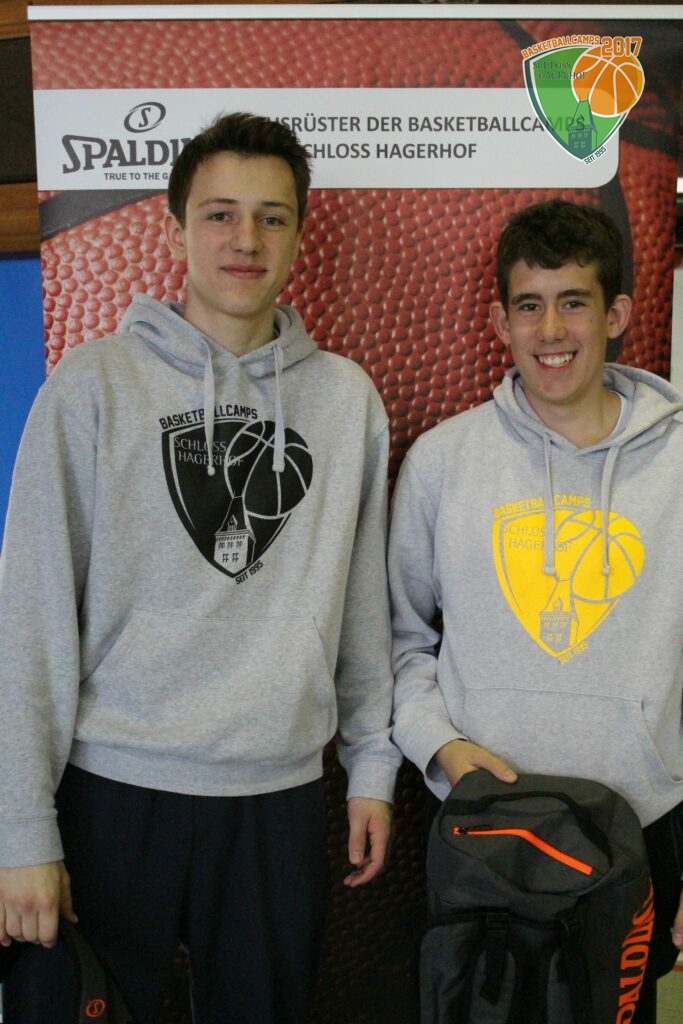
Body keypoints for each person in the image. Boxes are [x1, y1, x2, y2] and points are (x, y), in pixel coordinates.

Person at [0, 111, 401, 1024]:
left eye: (271, 217)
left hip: (277, 799)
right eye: (220, 214)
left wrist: (372, 766)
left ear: (297, 234)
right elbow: (28, 621)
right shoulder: (94, 386)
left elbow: (361, 611)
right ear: (177, 226)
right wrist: (19, 829)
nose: (245, 239)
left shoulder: (345, 402)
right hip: (111, 792)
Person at [389, 198, 683, 1021]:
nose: (550, 330)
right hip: (485, 831)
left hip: (644, 826)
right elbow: (397, 639)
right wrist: (439, 746)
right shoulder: (442, 462)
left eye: (573, 302)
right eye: (528, 305)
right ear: (499, 321)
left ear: (616, 315)